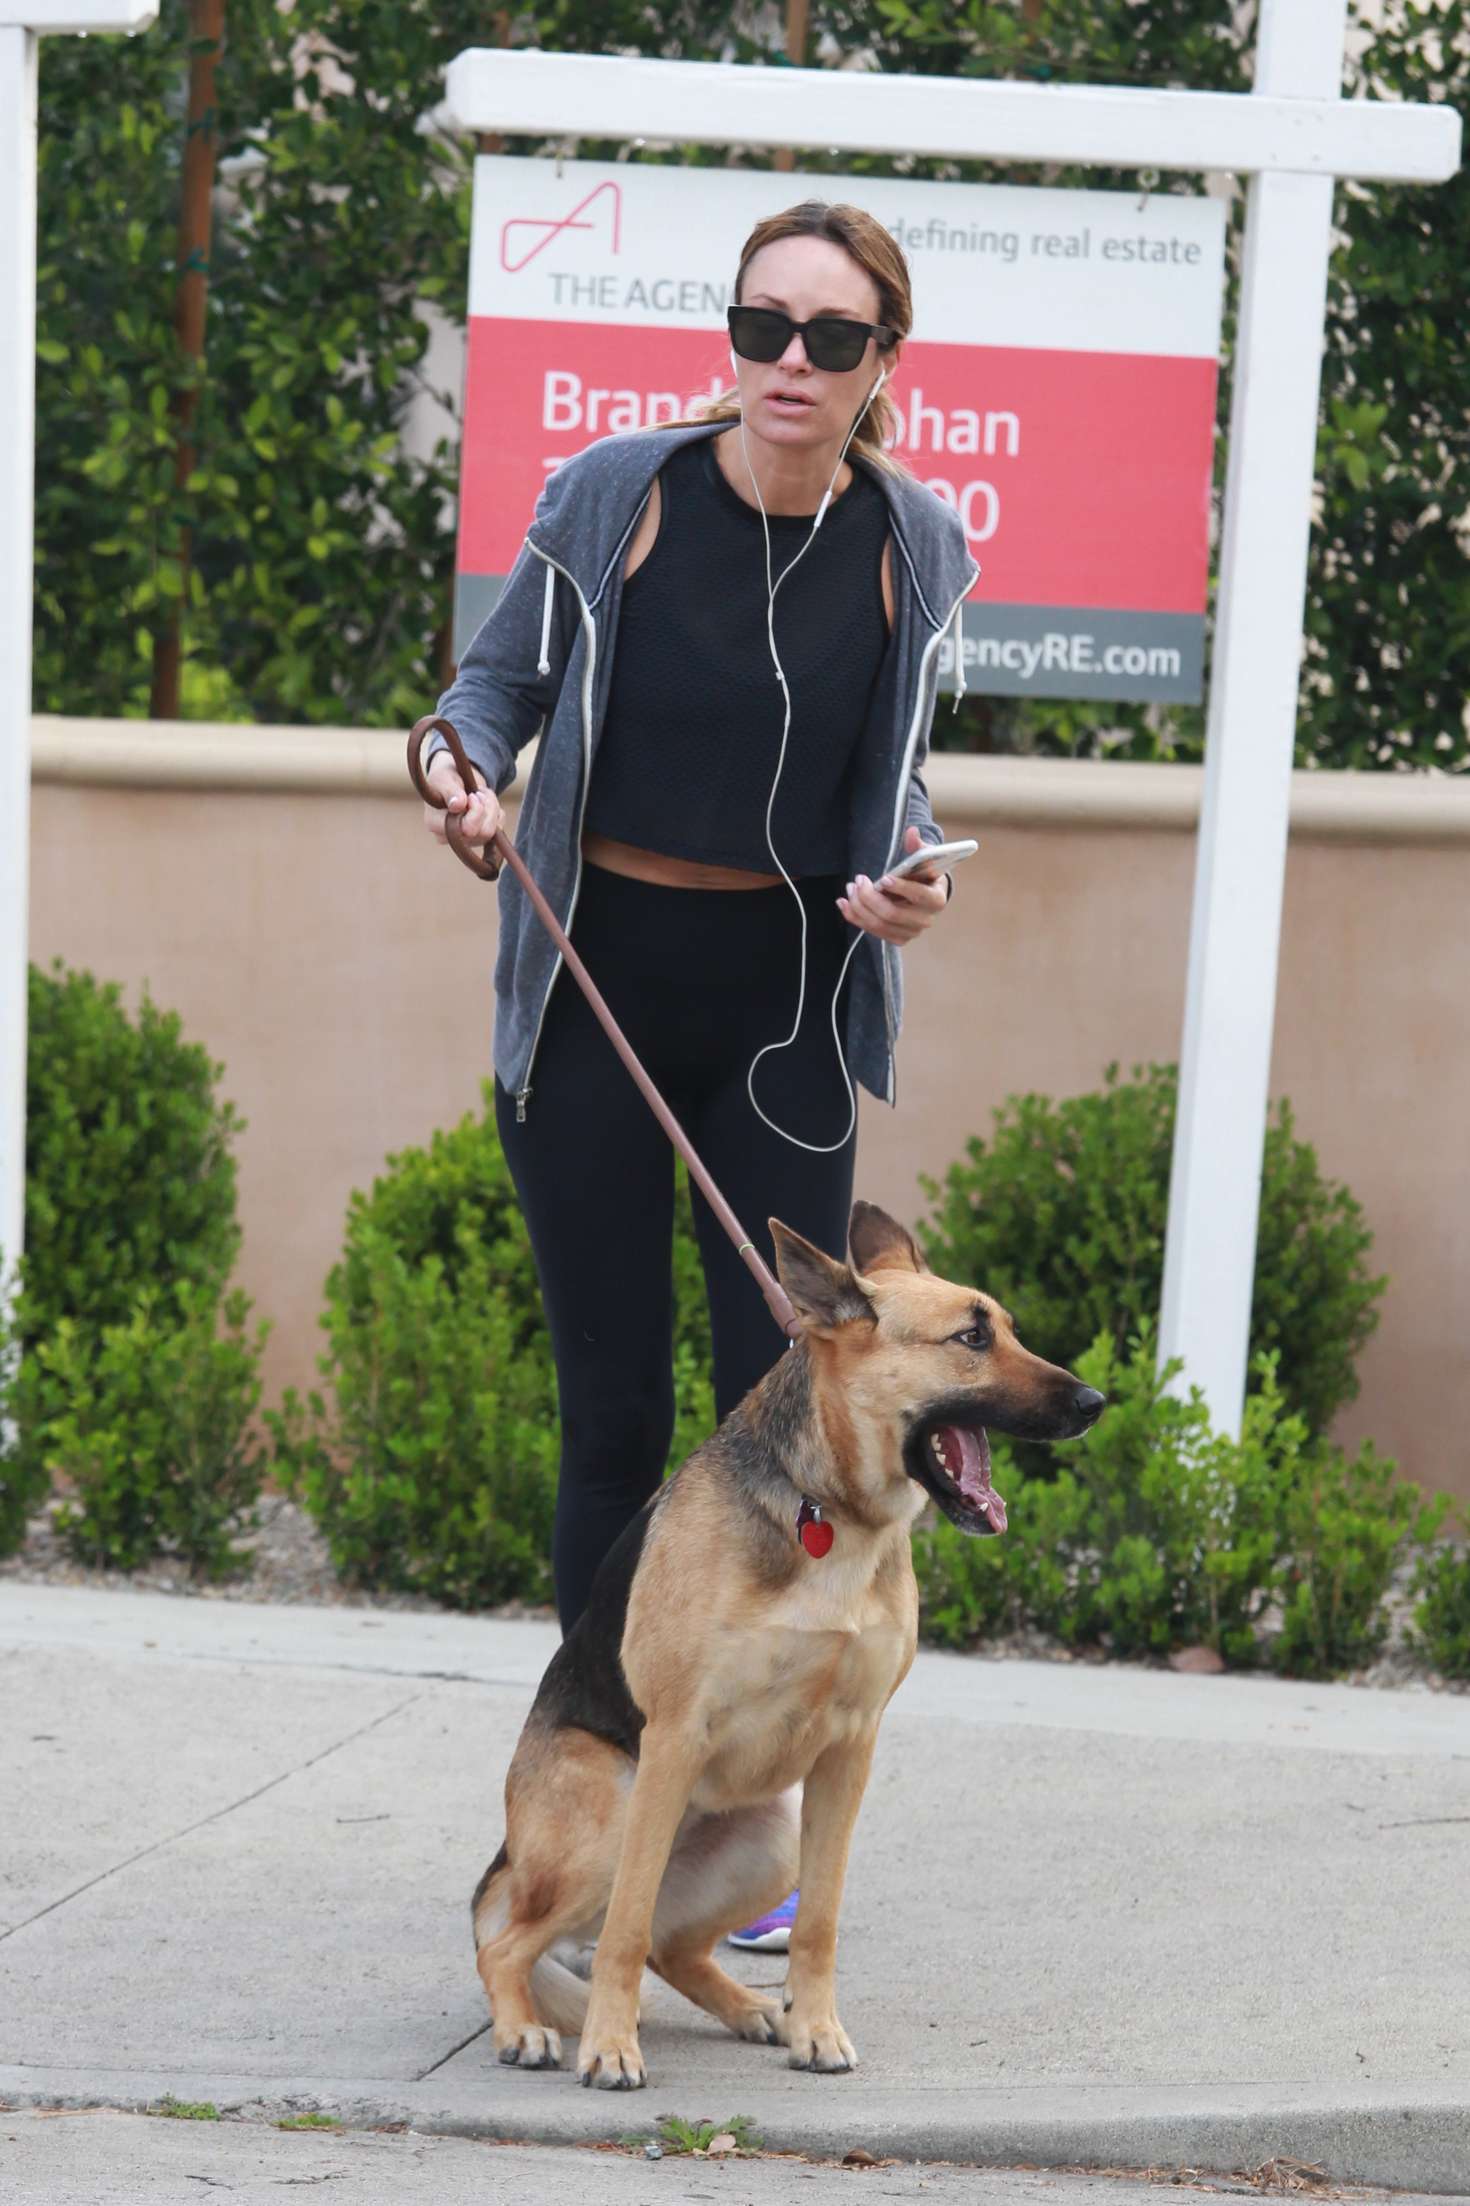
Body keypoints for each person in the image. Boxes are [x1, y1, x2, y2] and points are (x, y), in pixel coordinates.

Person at [420, 199, 977, 1951]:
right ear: (728, 336)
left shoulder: (914, 541)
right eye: (761, 326)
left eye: (829, 336)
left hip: (786, 1010)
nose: (787, 364)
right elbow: (484, 692)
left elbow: (893, 786)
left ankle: (734, 1837)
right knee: (613, 1422)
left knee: (793, 1422)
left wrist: (910, 875)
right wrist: (457, 774)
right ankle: (582, 1801)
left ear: (886, 360)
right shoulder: (619, 499)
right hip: (593, 984)